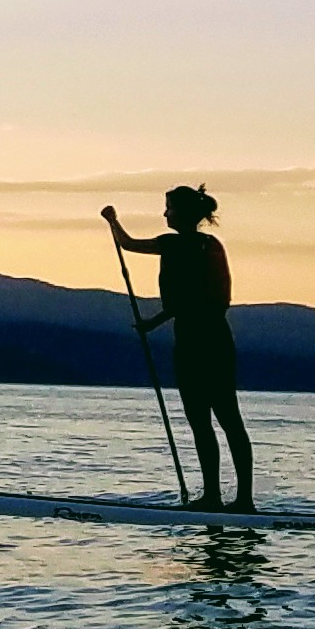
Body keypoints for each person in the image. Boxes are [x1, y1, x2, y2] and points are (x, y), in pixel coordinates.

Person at [105, 185, 254, 512]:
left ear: (182, 213)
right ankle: (243, 499)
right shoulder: (212, 245)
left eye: (168, 208)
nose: (164, 214)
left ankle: (214, 497)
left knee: (202, 421)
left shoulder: (175, 243)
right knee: (230, 419)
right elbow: (198, 299)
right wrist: (154, 322)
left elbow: (127, 244)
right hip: (218, 337)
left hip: (193, 342)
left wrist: (112, 220)